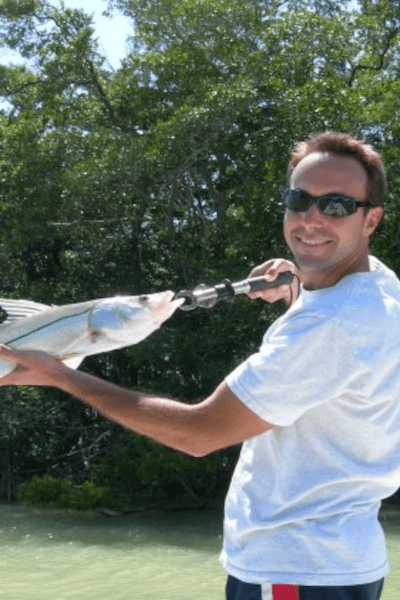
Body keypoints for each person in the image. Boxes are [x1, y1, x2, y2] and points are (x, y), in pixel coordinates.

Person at [0, 131, 397, 600]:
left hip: (292, 571)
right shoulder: (382, 290)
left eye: (336, 206)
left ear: (371, 219)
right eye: (298, 199)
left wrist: (61, 376)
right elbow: (342, 310)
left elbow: (198, 433)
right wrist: (296, 288)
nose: (310, 218)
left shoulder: (330, 328)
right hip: (344, 564)